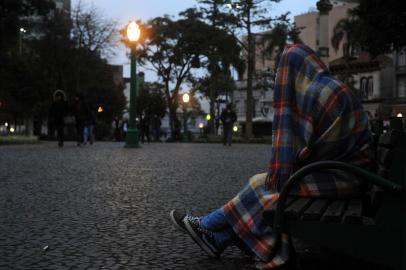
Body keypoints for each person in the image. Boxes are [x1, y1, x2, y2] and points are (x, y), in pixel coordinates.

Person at [169, 44, 374, 269]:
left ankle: (209, 227)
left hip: (345, 177)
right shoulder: (329, 87)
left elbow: (306, 151)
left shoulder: (314, 94)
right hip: (346, 170)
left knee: (269, 189)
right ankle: (215, 237)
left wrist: (292, 160)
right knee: (264, 184)